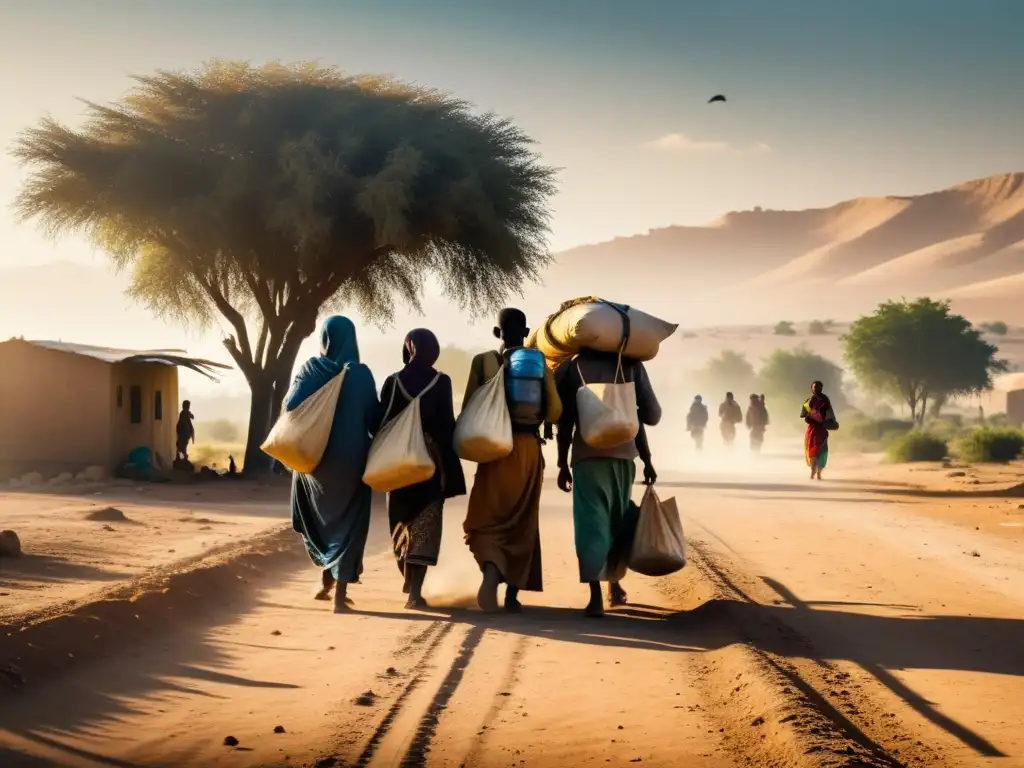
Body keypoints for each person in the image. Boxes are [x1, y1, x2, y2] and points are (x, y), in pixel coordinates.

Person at [463, 308, 562, 614]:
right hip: (528, 450)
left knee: (489, 517)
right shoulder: (537, 364)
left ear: (498, 333)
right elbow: (555, 412)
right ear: (526, 331)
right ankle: (511, 596)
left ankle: (491, 572)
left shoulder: (483, 362)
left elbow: (469, 406)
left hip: (494, 452)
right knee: (522, 521)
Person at [556, 348, 661, 618]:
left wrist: (561, 463)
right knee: (618, 519)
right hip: (624, 458)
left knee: (591, 526)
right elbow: (648, 416)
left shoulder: (571, 367)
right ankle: (614, 585)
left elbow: (564, 419)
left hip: (587, 458)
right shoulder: (631, 365)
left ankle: (595, 599)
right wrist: (647, 459)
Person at [287, 315, 379, 612]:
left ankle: (324, 581)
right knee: (350, 522)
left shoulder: (311, 369)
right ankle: (338, 594)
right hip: (352, 462)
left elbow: (290, 406)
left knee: (320, 519)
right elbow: (375, 421)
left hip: (315, 462)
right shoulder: (362, 375)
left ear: (325, 339)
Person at [378, 329, 466, 610]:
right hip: (431, 465)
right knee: (426, 526)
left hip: (398, 465)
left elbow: (382, 422)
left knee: (400, 521)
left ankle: (407, 574)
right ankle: (415, 591)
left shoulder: (393, 382)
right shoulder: (442, 382)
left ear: (409, 347)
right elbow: (447, 426)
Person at [801, 380, 838, 480]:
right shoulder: (822, 400)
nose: (816, 389)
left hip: (815, 429)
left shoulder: (809, 401)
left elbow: (803, 416)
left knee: (815, 450)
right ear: (812, 389)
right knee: (820, 450)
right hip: (818, 429)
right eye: (815, 387)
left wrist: (811, 417)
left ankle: (815, 471)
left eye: (818, 387)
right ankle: (817, 472)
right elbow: (831, 415)